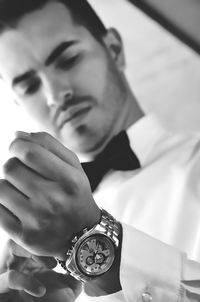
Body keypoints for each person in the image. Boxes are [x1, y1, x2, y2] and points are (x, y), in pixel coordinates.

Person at [0, 0, 200, 301]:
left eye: (67, 59)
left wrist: (98, 252)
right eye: (29, 87)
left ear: (115, 49)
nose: (55, 95)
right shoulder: (31, 254)